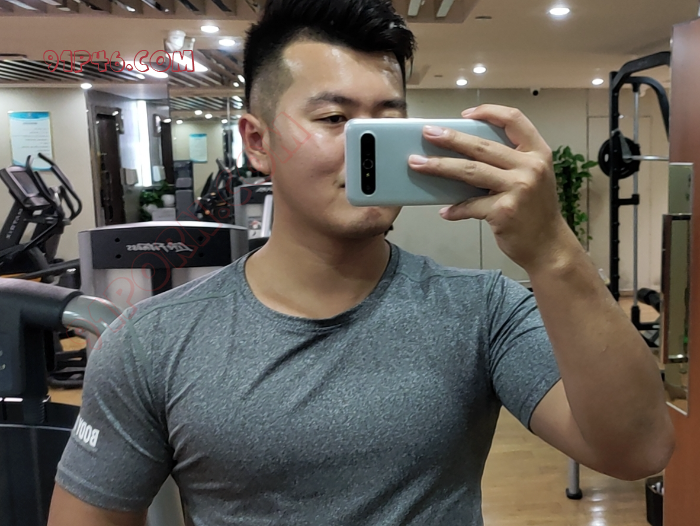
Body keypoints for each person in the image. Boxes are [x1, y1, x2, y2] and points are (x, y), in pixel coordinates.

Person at [48, 1, 675, 524]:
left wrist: (553, 249)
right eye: (335, 119)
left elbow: (639, 448)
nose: (367, 147)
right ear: (258, 142)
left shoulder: (484, 310)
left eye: (388, 122)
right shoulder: (150, 342)